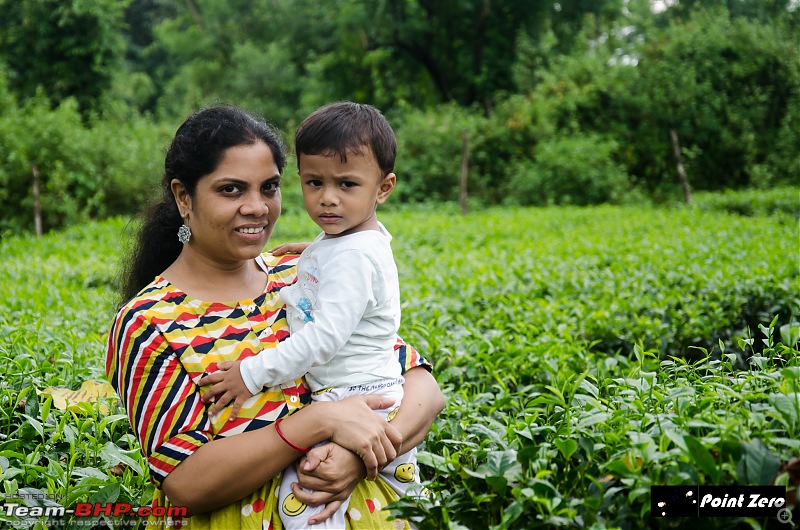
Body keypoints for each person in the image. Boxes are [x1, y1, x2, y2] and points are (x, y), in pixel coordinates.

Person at [105, 104, 444, 529]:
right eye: (231, 190)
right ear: (183, 197)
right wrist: (315, 423)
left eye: (269, 187)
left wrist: (360, 455)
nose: (257, 207)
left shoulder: (297, 275)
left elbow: (422, 388)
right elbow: (184, 484)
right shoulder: (147, 322)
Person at [197, 101, 422, 529]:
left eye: (347, 185)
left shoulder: (353, 255)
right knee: (396, 493)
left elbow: (322, 340)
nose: (328, 199)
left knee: (303, 499)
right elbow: (357, 253)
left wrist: (250, 374)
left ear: (384, 188)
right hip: (370, 390)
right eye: (314, 182)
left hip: (357, 394)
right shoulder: (350, 242)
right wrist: (319, 253)